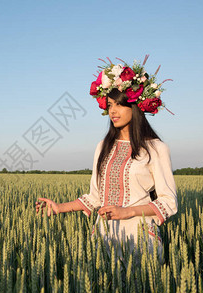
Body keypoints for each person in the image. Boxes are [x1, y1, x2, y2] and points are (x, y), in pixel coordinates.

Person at [35, 56, 178, 259]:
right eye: (109, 105)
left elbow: (168, 202)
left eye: (119, 105)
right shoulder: (103, 147)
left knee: (141, 289)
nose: (112, 111)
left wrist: (127, 212)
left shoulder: (155, 148)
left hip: (140, 237)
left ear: (135, 107)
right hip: (104, 235)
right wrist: (59, 208)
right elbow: (95, 197)